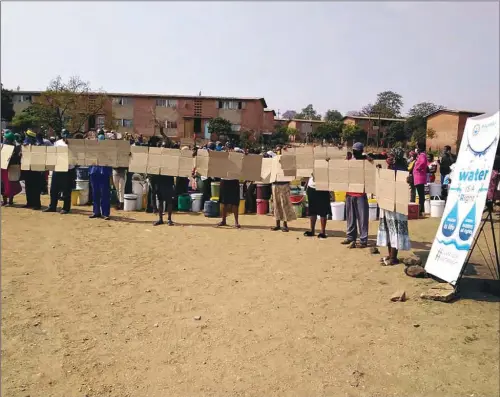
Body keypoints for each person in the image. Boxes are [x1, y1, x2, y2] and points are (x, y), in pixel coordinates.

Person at [377, 147, 411, 266]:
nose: (389, 158)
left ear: (396, 157)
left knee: (394, 229)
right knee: (388, 228)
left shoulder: (401, 170)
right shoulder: (391, 168)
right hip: (387, 203)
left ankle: (393, 257)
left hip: (397, 205)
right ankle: (390, 254)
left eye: (391, 156)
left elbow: (402, 185)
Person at [341, 142, 370, 248]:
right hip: (349, 192)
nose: (354, 152)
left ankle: (363, 239)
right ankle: (350, 237)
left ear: (361, 151)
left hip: (360, 193)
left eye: (356, 150)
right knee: (350, 217)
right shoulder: (349, 160)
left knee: (362, 218)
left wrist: (368, 158)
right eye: (353, 150)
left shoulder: (366, 161)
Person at [43, 130, 76, 214]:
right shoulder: (57, 143)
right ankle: (52, 206)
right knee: (54, 189)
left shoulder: (73, 144)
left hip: (68, 169)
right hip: (58, 167)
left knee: (66, 189)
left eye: (67, 133)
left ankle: (66, 208)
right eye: (63, 133)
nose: (65, 135)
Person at [89, 133, 112, 220]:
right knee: (95, 193)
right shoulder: (92, 150)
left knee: (105, 194)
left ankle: (105, 213)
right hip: (94, 172)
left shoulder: (109, 150)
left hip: (104, 173)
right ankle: (96, 212)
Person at [22, 129, 43, 210]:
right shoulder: (25, 144)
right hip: (28, 168)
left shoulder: (38, 145)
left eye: (27, 136)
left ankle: (37, 204)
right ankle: (29, 203)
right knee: (28, 186)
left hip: (36, 169)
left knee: (35, 187)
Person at [304, 174, 330, 239]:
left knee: (323, 210)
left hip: (323, 187)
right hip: (311, 187)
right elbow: (309, 173)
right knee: (312, 210)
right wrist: (307, 183)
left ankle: (323, 232)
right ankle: (312, 230)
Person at [1, 130, 22, 206]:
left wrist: (12, 156)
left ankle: (10, 201)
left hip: (12, 167)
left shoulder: (16, 147)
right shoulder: (3, 146)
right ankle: (5, 201)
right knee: (3, 184)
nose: (5, 140)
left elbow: (18, 157)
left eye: (7, 139)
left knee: (11, 184)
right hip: (4, 168)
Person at [413, 143, 428, 217]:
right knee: (420, 194)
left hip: (419, 177)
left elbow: (422, 162)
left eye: (417, 147)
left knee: (421, 195)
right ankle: (421, 210)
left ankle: (421, 210)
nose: (416, 149)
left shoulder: (422, 155)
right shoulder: (420, 155)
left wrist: (418, 168)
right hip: (418, 178)